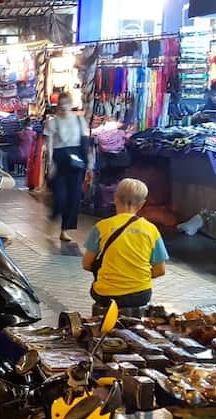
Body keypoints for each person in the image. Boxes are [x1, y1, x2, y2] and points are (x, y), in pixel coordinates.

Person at [82, 178, 168, 309]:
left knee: (98, 290)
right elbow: (160, 270)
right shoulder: (151, 230)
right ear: (142, 204)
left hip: (106, 294)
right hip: (140, 294)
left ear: (115, 198)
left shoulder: (101, 227)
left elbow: (86, 264)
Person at [46, 93, 89, 242]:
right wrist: (50, 164)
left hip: (76, 162)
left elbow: (85, 142)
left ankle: (64, 230)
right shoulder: (52, 122)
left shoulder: (79, 120)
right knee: (60, 197)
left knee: (74, 197)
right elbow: (49, 145)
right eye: (61, 104)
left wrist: (88, 162)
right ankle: (53, 218)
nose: (64, 107)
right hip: (59, 161)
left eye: (66, 104)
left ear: (71, 104)